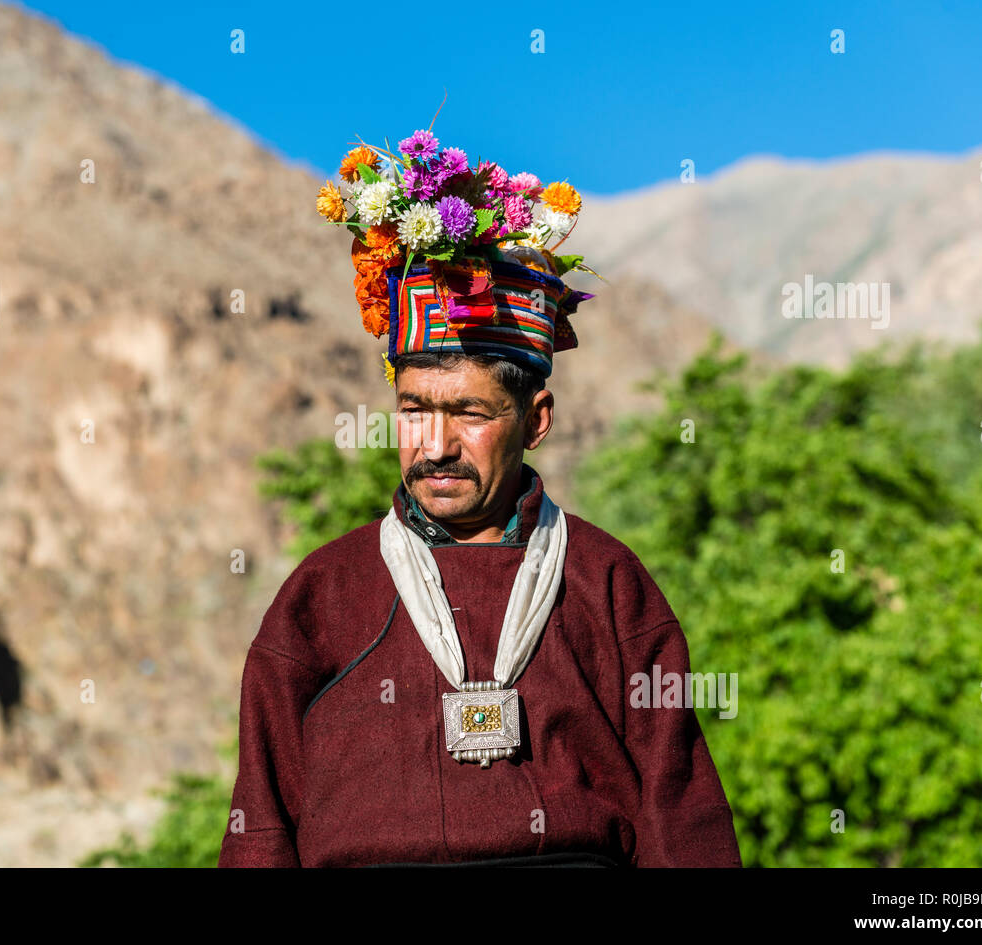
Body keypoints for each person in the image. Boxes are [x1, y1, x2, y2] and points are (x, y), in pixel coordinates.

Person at [218, 133, 740, 867]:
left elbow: (682, 817)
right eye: (412, 410)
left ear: (537, 418)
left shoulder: (608, 584)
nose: (434, 445)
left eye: (470, 412)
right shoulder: (323, 596)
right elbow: (261, 825)